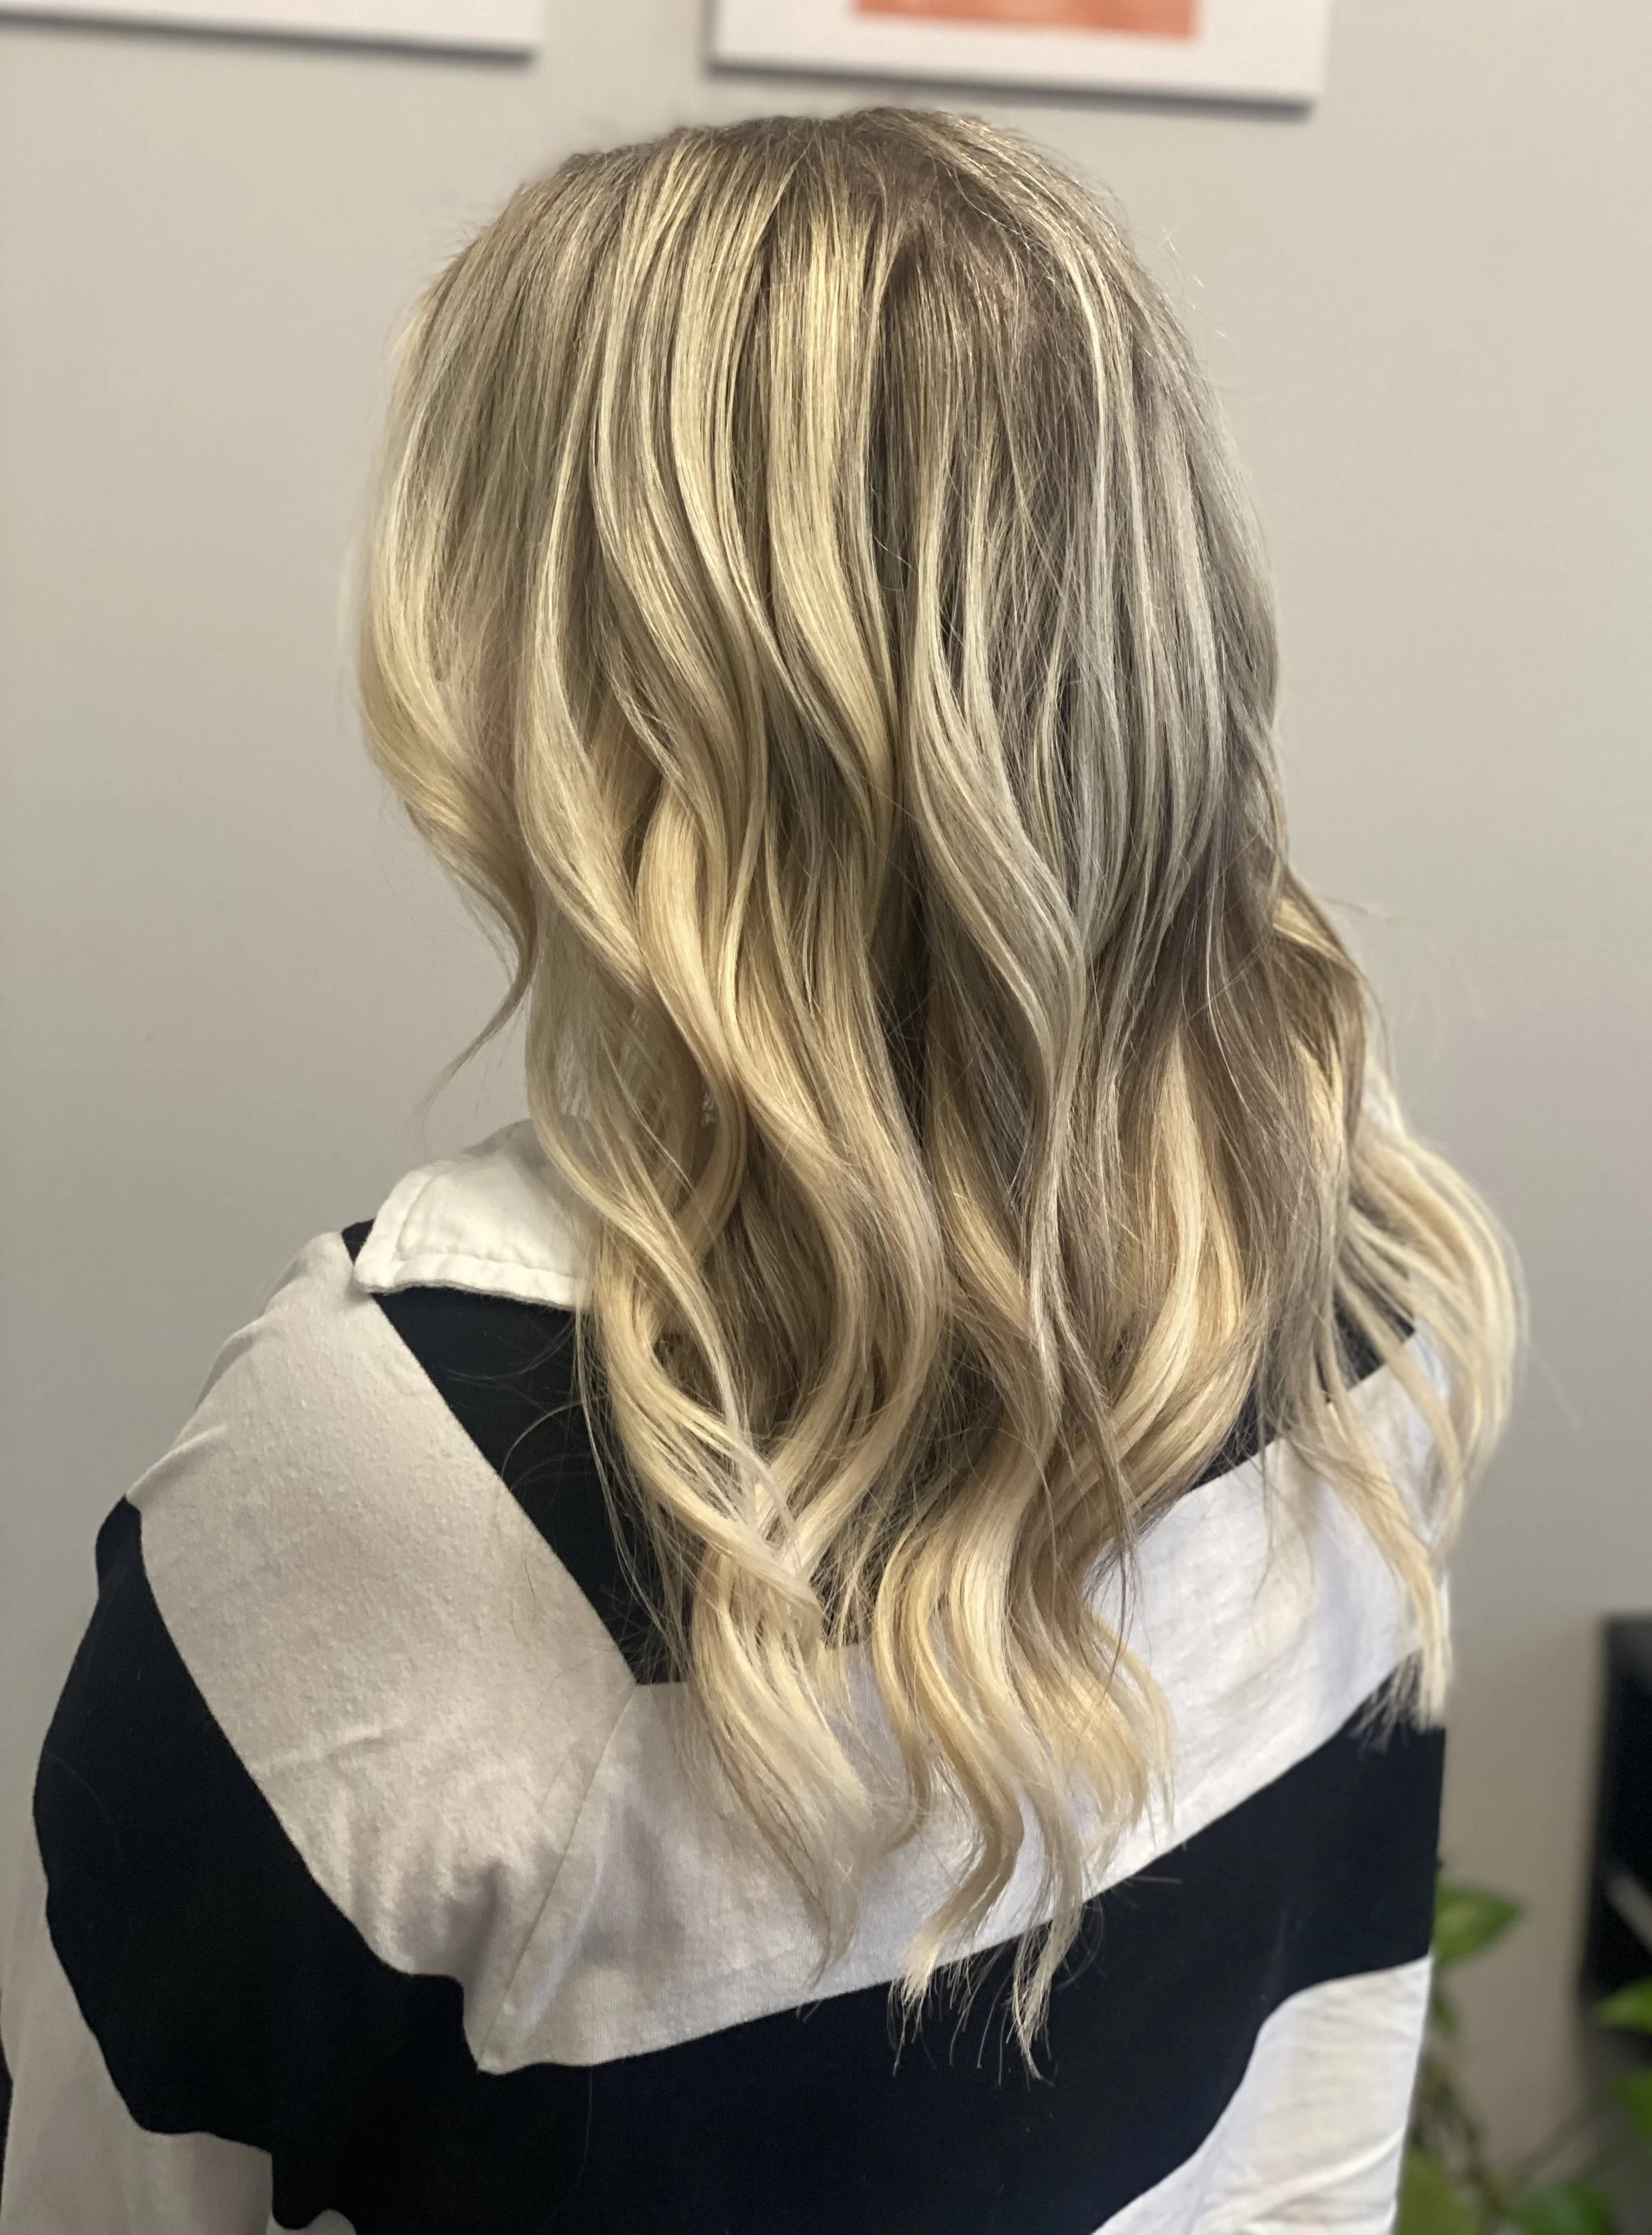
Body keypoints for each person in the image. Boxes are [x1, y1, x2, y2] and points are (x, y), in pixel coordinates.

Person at [0, 107, 1519, 2234]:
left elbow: (105, 2189)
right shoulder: (1365, 1280)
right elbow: (1308, 2135)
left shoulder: (377, 1469)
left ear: (583, 691)